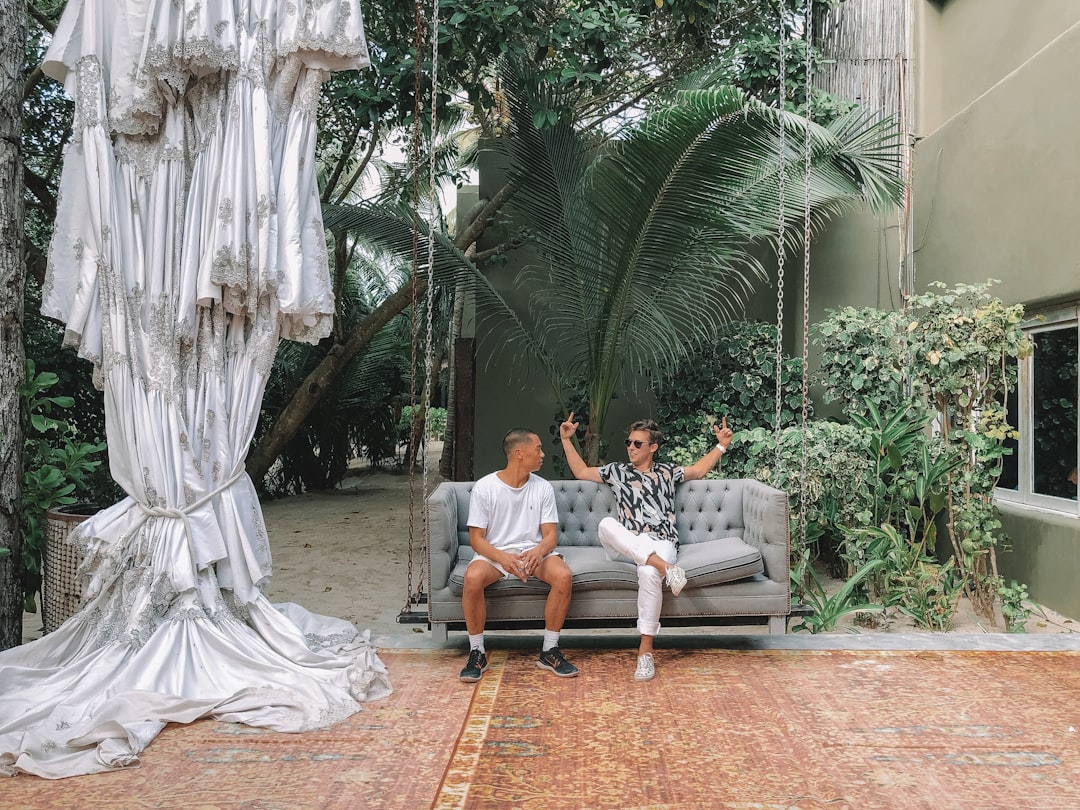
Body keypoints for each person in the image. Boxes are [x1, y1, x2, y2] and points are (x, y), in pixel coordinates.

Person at [559, 413, 734, 681]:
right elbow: (581, 471)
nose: (630, 447)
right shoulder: (616, 471)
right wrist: (566, 439)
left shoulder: (667, 472)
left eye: (637, 444)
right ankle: (668, 569)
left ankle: (645, 653)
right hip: (625, 545)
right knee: (606, 523)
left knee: (648, 573)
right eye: (629, 442)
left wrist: (721, 444)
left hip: (661, 541)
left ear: (653, 447)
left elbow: (697, 471)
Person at [460, 428, 579, 683]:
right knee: (471, 579)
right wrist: (503, 558)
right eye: (537, 448)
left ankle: (549, 650)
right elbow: (476, 540)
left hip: (533, 552)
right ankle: (477, 652)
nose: (542, 454)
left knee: (563, 576)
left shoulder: (543, 487)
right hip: (496, 554)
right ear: (518, 453)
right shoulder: (485, 488)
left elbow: (550, 536)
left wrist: (538, 551)